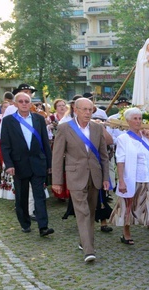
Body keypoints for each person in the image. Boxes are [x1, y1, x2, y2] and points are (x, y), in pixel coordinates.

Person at [51, 98, 109, 263]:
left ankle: (83, 241)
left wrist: (106, 178)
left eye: (90, 110)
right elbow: (57, 157)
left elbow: (104, 156)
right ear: (75, 110)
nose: (87, 113)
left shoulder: (98, 128)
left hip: (95, 176)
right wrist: (56, 181)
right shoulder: (64, 128)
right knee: (82, 212)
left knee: (90, 212)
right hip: (75, 176)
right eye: (84, 109)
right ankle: (89, 250)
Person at [1, 92, 54, 237]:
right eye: (21, 101)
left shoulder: (38, 119)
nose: (24, 104)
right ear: (16, 104)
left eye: (27, 101)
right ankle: (25, 223)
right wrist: (9, 164)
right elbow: (5, 145)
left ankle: (43, 227)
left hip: (37, 162)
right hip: (19, 164)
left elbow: (45, 142)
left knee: (39, 195)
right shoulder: (7, 121)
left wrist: (49, 163)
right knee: (22, 196)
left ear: (30, 104)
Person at [110, 107, 149, 251]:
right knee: (128, 207)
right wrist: (121, 180)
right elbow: (120, 160)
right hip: (132, 179)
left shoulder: (147, 137)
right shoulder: (122, 138)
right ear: (128, 121)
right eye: (135, 118)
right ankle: (126, 233)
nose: (138, 121)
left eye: (140, 118)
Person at [132, 31, 149, 111]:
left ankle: (148, 105)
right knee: (142, 87)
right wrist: (146, 59)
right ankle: (141, 105)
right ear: (147, 44)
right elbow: (140, 62)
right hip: (142, 73)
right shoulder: (141, 51)